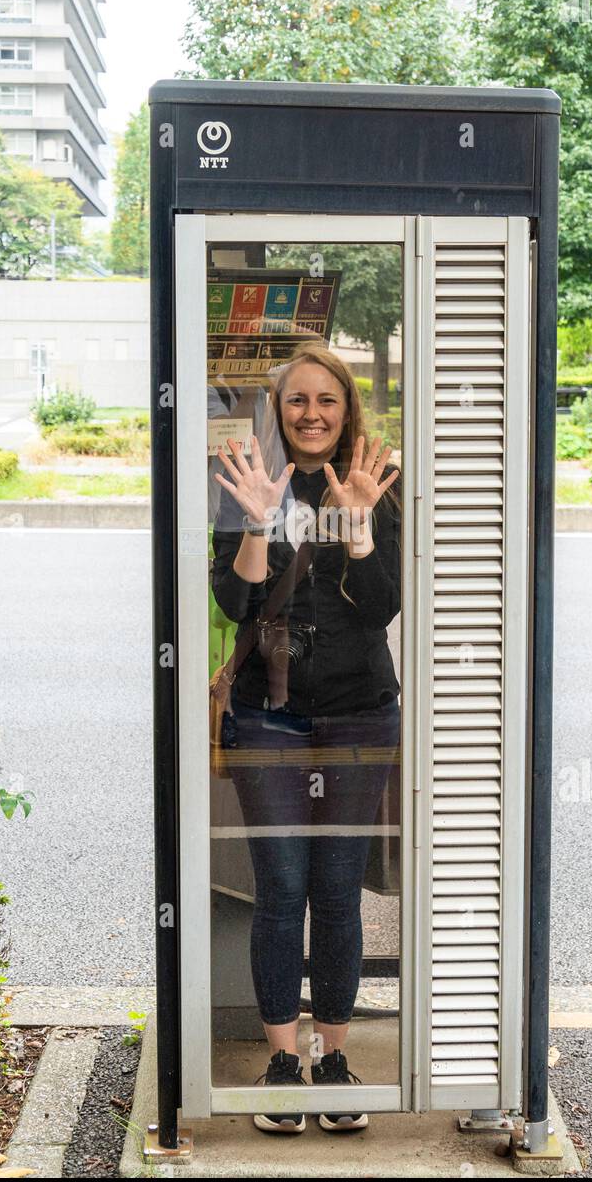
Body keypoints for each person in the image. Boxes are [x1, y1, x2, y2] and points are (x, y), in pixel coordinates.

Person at [210, 341, 401, 1134]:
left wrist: (358, 527)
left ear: (345, 408)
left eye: (327, 400)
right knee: (282, 892)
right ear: (278, 408)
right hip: (269, 716)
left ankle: (334, 1056)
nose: (312, 414)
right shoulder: (250, 479)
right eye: (298, 401)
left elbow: (384, 604)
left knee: (336, 892)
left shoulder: (371, 481)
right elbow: (234, 602)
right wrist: (256, 522)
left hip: (358, 711)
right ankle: (284, 1059)